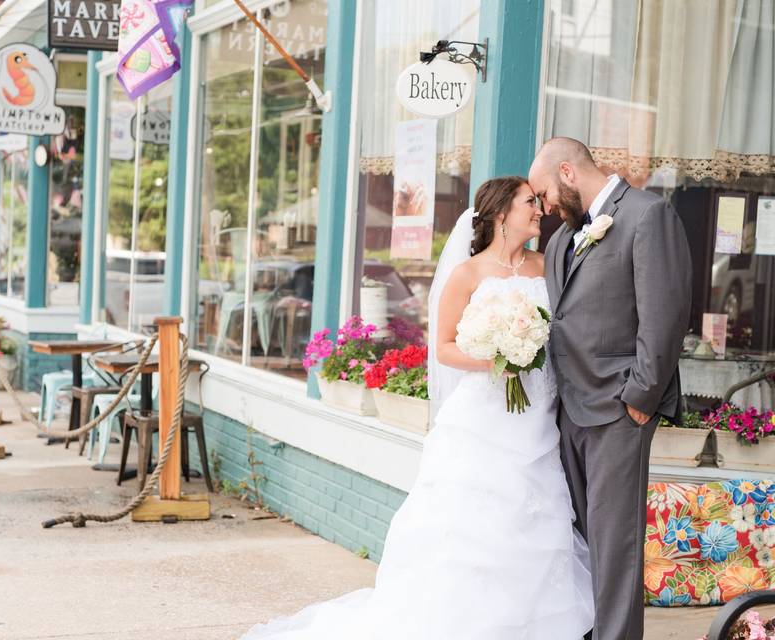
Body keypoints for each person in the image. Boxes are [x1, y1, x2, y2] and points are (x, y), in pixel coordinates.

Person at [240, 176, 593, 640]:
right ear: (503, 213)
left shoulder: (546, 266)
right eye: (530, 202)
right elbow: (444, 348)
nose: (540, 209)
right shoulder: (467, 274)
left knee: (536, 515)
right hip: (484, 418)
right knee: (472, 525)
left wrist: (531, 350)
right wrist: (497, 358)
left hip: (538, 416)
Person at [528, 137, 692, 640]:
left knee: (615, 544)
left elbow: (664, 316)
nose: (545, 206)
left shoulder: (647, 216)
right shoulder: (560, 240)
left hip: (619, 409)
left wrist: (641, 397)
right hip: (566, 411)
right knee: (576, 541)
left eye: (545, 193)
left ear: (568, 172)